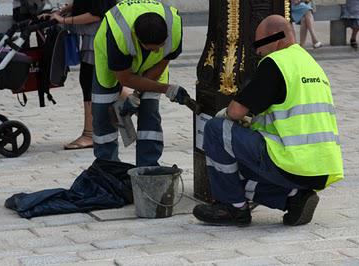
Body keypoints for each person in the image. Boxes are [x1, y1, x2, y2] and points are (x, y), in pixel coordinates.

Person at [193, 15, 344, 227]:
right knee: (234, 175)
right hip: (320, 169)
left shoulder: (276, 63)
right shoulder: (309, 63)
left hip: (291, 162)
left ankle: (233, 208)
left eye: (260, 44)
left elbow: (235, 111)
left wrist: (226, 115)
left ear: (276, 37)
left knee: (216, 130)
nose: (257, 51)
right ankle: (293, 197)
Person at [92, 0, 189, 166]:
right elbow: (125, 78)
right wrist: (167, 89)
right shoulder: (119, 33)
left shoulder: (174, 27)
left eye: (160, 46)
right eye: (152, 48)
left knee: (149, 111)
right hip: (110, 60)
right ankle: (107, 167)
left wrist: (137, 94)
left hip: (153, 67)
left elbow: (163, 59)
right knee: (103, 113)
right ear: (136, 38)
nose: (157, 50)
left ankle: (148, 168)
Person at [42, 0, 117, 149]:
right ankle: (135, 107)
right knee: (104, 81)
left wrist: (63, 19)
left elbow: (96, 14)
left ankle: (90, 134)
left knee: (89, 82)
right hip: (96, 37)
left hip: (97, 39)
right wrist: (61, 11)